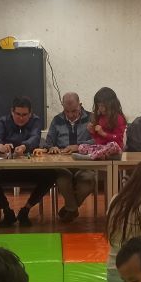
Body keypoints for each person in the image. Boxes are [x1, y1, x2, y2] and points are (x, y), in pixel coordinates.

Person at [0, 97, 54, 227]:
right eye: (18, 114)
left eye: (25, 115)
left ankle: (26, 209)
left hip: (29, 169)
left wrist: (24, 146)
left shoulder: (36, 121)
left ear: (30, 114)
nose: (21, 118)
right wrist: (0, 146)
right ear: (12, 112)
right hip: (6, 169)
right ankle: (7, 210)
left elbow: (35, 138)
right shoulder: (3, 121)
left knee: (51, 174)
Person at [34, 92, 95, 223]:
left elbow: (98, 142)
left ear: (80, 105)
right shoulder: (57, 120)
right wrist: (52, 148)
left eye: (74, 111)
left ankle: (69, 208)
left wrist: (78, 146)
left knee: (88, 182)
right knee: (62, 182)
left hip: (85, 163)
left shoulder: (92, 118)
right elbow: (48, 143)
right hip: (63, 165)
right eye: (67, 111)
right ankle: (72, 209)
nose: (71, 114)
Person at [88, 86, 127, 150]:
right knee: (82, 147)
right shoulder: (99, 117)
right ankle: (94, 154)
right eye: (99, 105)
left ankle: (95, 154)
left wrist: (103, 134)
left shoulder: (118, 118)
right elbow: (98, 140)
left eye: (103, 106)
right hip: (100, 147)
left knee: (112, 146)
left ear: (111, 105)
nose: (100, 108)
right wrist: (92, 132)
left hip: (114, 149)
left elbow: (118, 138)